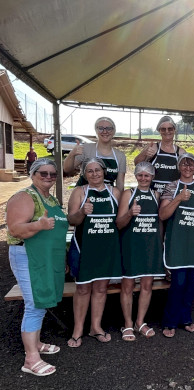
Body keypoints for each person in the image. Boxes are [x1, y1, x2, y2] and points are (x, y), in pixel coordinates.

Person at [6, 159, 68, 376]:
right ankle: (31, 359)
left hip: (47, 258)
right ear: (33, 174)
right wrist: (38, 225)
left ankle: (36, 342)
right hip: (28, 256)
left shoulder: (51, 198)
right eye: (44, 173)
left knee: (41, 301)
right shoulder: (25, 196)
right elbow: (14, 229)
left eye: (53, 174)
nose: (49, 177)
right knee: (34, 303)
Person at [67, 158, 122, 347]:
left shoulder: (114, 192)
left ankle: (95, 327)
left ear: (104, 171)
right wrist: (82, 211)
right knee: (82, 289)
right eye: (89, 171)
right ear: (84, 174)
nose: (94, 174)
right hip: (85, 247)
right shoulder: (78, 192)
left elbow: (121, 220)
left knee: (100, 289)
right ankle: (78, 330)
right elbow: (72, 220)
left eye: (97, 170)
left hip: (107, 248)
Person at [159, 153, 194, 337]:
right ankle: (170, 322)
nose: (187, 167)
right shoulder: (171, 187)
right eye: (184, 164)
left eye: (191, 164)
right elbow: (163, 215)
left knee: (191, 284)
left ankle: (186, 319)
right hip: (178, 244)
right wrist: (178, 199)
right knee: (178, 283)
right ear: (179, 167)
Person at [116, 162, 165, 341]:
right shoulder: (128, 194)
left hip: (151, 247)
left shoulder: (156, 195)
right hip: (131, 246)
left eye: (147, 175)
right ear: (136, 176)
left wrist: (160, 245)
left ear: (152, 177)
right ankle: (127, 323)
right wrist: (130, 213)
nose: (144, 178)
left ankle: (140, 322)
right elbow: (119, 223)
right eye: (140, 175)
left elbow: (159, 222)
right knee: (128, 286)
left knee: (147, 285)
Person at [64, 117, 127, 191]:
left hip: (107, 197)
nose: (105, 131)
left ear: (114, 131)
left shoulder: (120, 156)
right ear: (96, 131)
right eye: (100, 128)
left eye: (109, 128)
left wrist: (119, 201)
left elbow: (120, 184)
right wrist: (71, 154)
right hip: (83, 195)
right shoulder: (86, 149)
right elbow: (67, 169)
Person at [133, 115, 186, 193]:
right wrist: (144, 153)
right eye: (163, 129)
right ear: (159, 131)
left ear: (175, 130)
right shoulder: (153, 147)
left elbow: (186, 174)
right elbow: (137, 163)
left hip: (171, 195)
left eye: (170, 129)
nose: (167, 131)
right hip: (154, 193)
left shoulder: (181, 152)